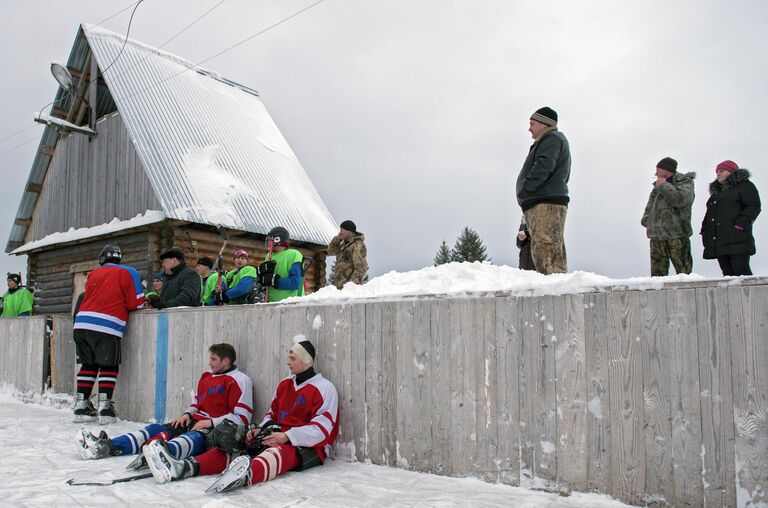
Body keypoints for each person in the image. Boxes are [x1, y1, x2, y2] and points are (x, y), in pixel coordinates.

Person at [143, 340, 338, 493]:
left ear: (306, 361)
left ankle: (246, 474)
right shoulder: (285, 384)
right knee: (236, 443)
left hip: (306, 446)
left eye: (293, 358)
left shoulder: (324, 388)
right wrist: (259, 430)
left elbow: (322, 429)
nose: (288, 362)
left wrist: (288, 436)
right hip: (278, 435)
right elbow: (272, 414)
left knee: (277, 452)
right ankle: (186, 467)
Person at [75, 343, 253, 473]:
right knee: (155, 429)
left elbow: (243, 418)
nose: (209, 363)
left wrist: (211, 422)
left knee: (190, 438)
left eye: (213, 359)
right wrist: (186, 413)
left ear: (226, 361)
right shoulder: (207, 377)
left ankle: (163, 455)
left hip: (212, 429)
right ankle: (107, 446)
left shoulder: (240, 380)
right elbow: (197, 402)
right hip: (194, 420)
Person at [72, 245, 144, 424]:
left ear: (102, 258)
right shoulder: (130, 272)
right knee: (108, 366)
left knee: (88, 364)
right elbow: (136, 303)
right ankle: (105, 408)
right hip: (107, 325)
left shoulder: (93, 273)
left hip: (81, 323)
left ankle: (81, 405)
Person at [515, 106, 571, 275]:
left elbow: (544, 166)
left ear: (545, 124)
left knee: (544, 250)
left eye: (532, 123)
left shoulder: (552, 139)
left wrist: (526, 190)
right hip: (544, 201)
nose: (529, 128)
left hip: (544, 202)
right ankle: (556, 291)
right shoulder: (550, 140)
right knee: (551, 249)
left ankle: (550, 295)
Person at [701, 160, 762, 276]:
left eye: (721, 171)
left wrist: (741, 224)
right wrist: (705, 231)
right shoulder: (717, 193)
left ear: (732, 171)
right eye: (717, 172)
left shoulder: (744, 186)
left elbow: (753, 206)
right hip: (719, 242)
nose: (718, 174)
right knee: (728, 276)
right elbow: (709, 214)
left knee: (742, 274)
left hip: (738, 240)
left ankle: (749, 295)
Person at [641, 157, 696, 276]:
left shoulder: (685, 181)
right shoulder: (657, 186)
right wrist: (647, 221)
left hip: (677, 235)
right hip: (657, 236)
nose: (655, 173)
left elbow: (681, 200)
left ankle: (686, 295)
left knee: (684, 274)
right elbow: (649, 207)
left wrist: (664, 186)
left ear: (666, 170)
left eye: (658, 169)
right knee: (657, 278)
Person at [257, 227, 305, 302]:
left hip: (290, 303)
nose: (268, 242)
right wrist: (261, 276)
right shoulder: (269, 256)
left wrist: (275, 281)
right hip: (271, 302)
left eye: (270, 239)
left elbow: (297, 282)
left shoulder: (294, 255)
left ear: (278, 239)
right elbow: (265, 281)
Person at [327, 219, 368, 288]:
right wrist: (337, 239)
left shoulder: (357, 245)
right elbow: (331, 251)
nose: (340, 233)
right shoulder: (344, 245)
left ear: (349, 231)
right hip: (340, 287)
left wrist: (351, 286)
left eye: (342, 230)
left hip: (349, 289)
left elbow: (361, 268)